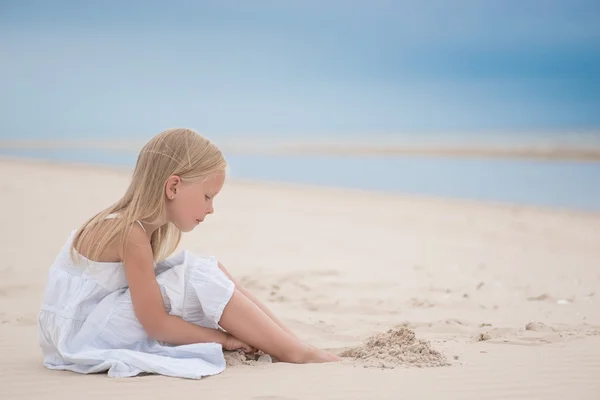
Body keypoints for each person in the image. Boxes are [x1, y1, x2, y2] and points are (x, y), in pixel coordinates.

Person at [37, 128, 340, 379]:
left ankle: (291, 344)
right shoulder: (130, 233)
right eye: (207, 196)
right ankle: (297, 352)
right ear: (173, 187)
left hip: (78, 327)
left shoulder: (134, 227)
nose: (211, 208)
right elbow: (156, 324)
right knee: (197, 275)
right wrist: (225, 340)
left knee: (209, 267)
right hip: (82, 335)